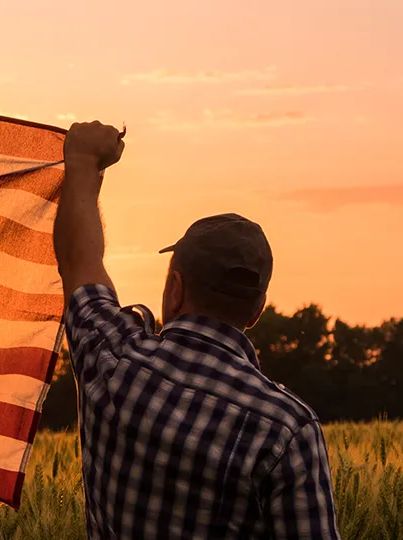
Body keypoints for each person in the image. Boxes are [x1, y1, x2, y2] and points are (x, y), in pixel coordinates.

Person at [55, 121, 339, 539]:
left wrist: (83, 161)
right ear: (256, 311)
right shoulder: (287, 431)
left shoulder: (112, 360)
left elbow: (78, 261)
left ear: (175, 288)